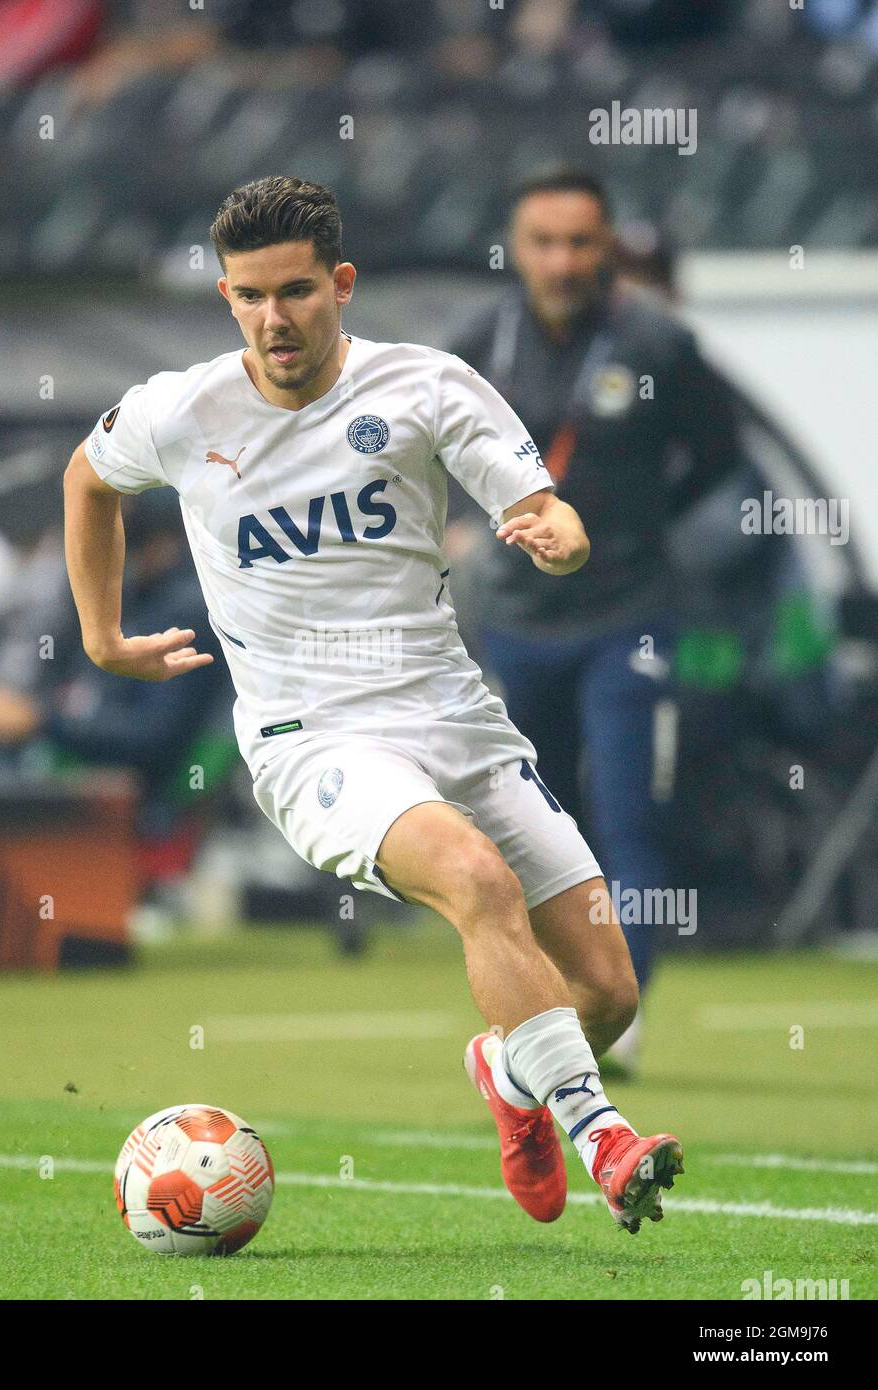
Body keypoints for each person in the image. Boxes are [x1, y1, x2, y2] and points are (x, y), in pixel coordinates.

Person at [62, 175, 684, 1233]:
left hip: (454, 718)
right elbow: (88, 478)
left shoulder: (427, 386)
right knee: (476, 879)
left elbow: (537, 501)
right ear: (227, 298)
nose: (275, 318)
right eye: (252, 297)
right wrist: (100, 635)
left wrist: (558, 533)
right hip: (316, 743)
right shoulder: (185, 410)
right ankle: (603, 1133)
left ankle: (507, 1066)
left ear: (341, 285)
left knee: (609, 989)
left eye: (297, 291)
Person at [450, 169, 742, 1074]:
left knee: (626, 820)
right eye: (544, 241)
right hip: (514, 621)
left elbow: (718, 455)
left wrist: (637, 526)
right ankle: (549, 1013)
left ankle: (621, 1010)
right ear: (516, 245)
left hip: (629, 619)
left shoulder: (657, 341)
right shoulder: (479, 342)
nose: (562, 260)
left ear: (607, 245)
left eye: (580, 242)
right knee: (528, 825)